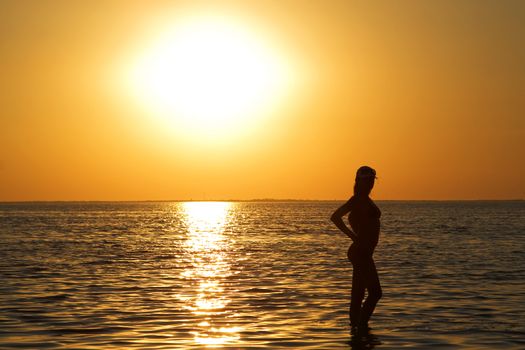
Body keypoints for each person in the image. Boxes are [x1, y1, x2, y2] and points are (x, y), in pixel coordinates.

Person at [330, 165, 382, 334]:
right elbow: (335, 217)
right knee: (375, 293)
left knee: (358, 293)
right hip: (360, 252)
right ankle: (361, 327)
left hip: (364, 252)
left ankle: (356, 332)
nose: (370, 184)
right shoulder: (357, 199)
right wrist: (352, 236)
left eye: (371, 181)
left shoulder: (365, 199)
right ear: (359, 182)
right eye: (366, 181)